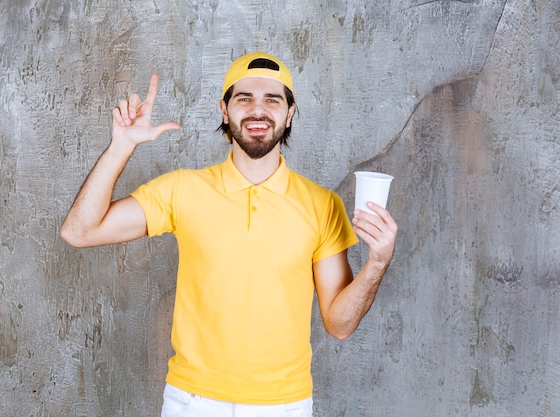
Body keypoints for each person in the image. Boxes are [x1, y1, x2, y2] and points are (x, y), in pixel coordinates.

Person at [60, 51, 397, 417]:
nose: (258, 110)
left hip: (284, 405)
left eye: (272, 99)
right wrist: (121, 146)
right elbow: (80, 231)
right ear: (224, 110)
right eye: (244, 98)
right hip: (192, 402)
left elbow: (340, 325)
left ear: (290, 113)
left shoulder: (323, 205)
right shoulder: (182, 190)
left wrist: (378, 262)